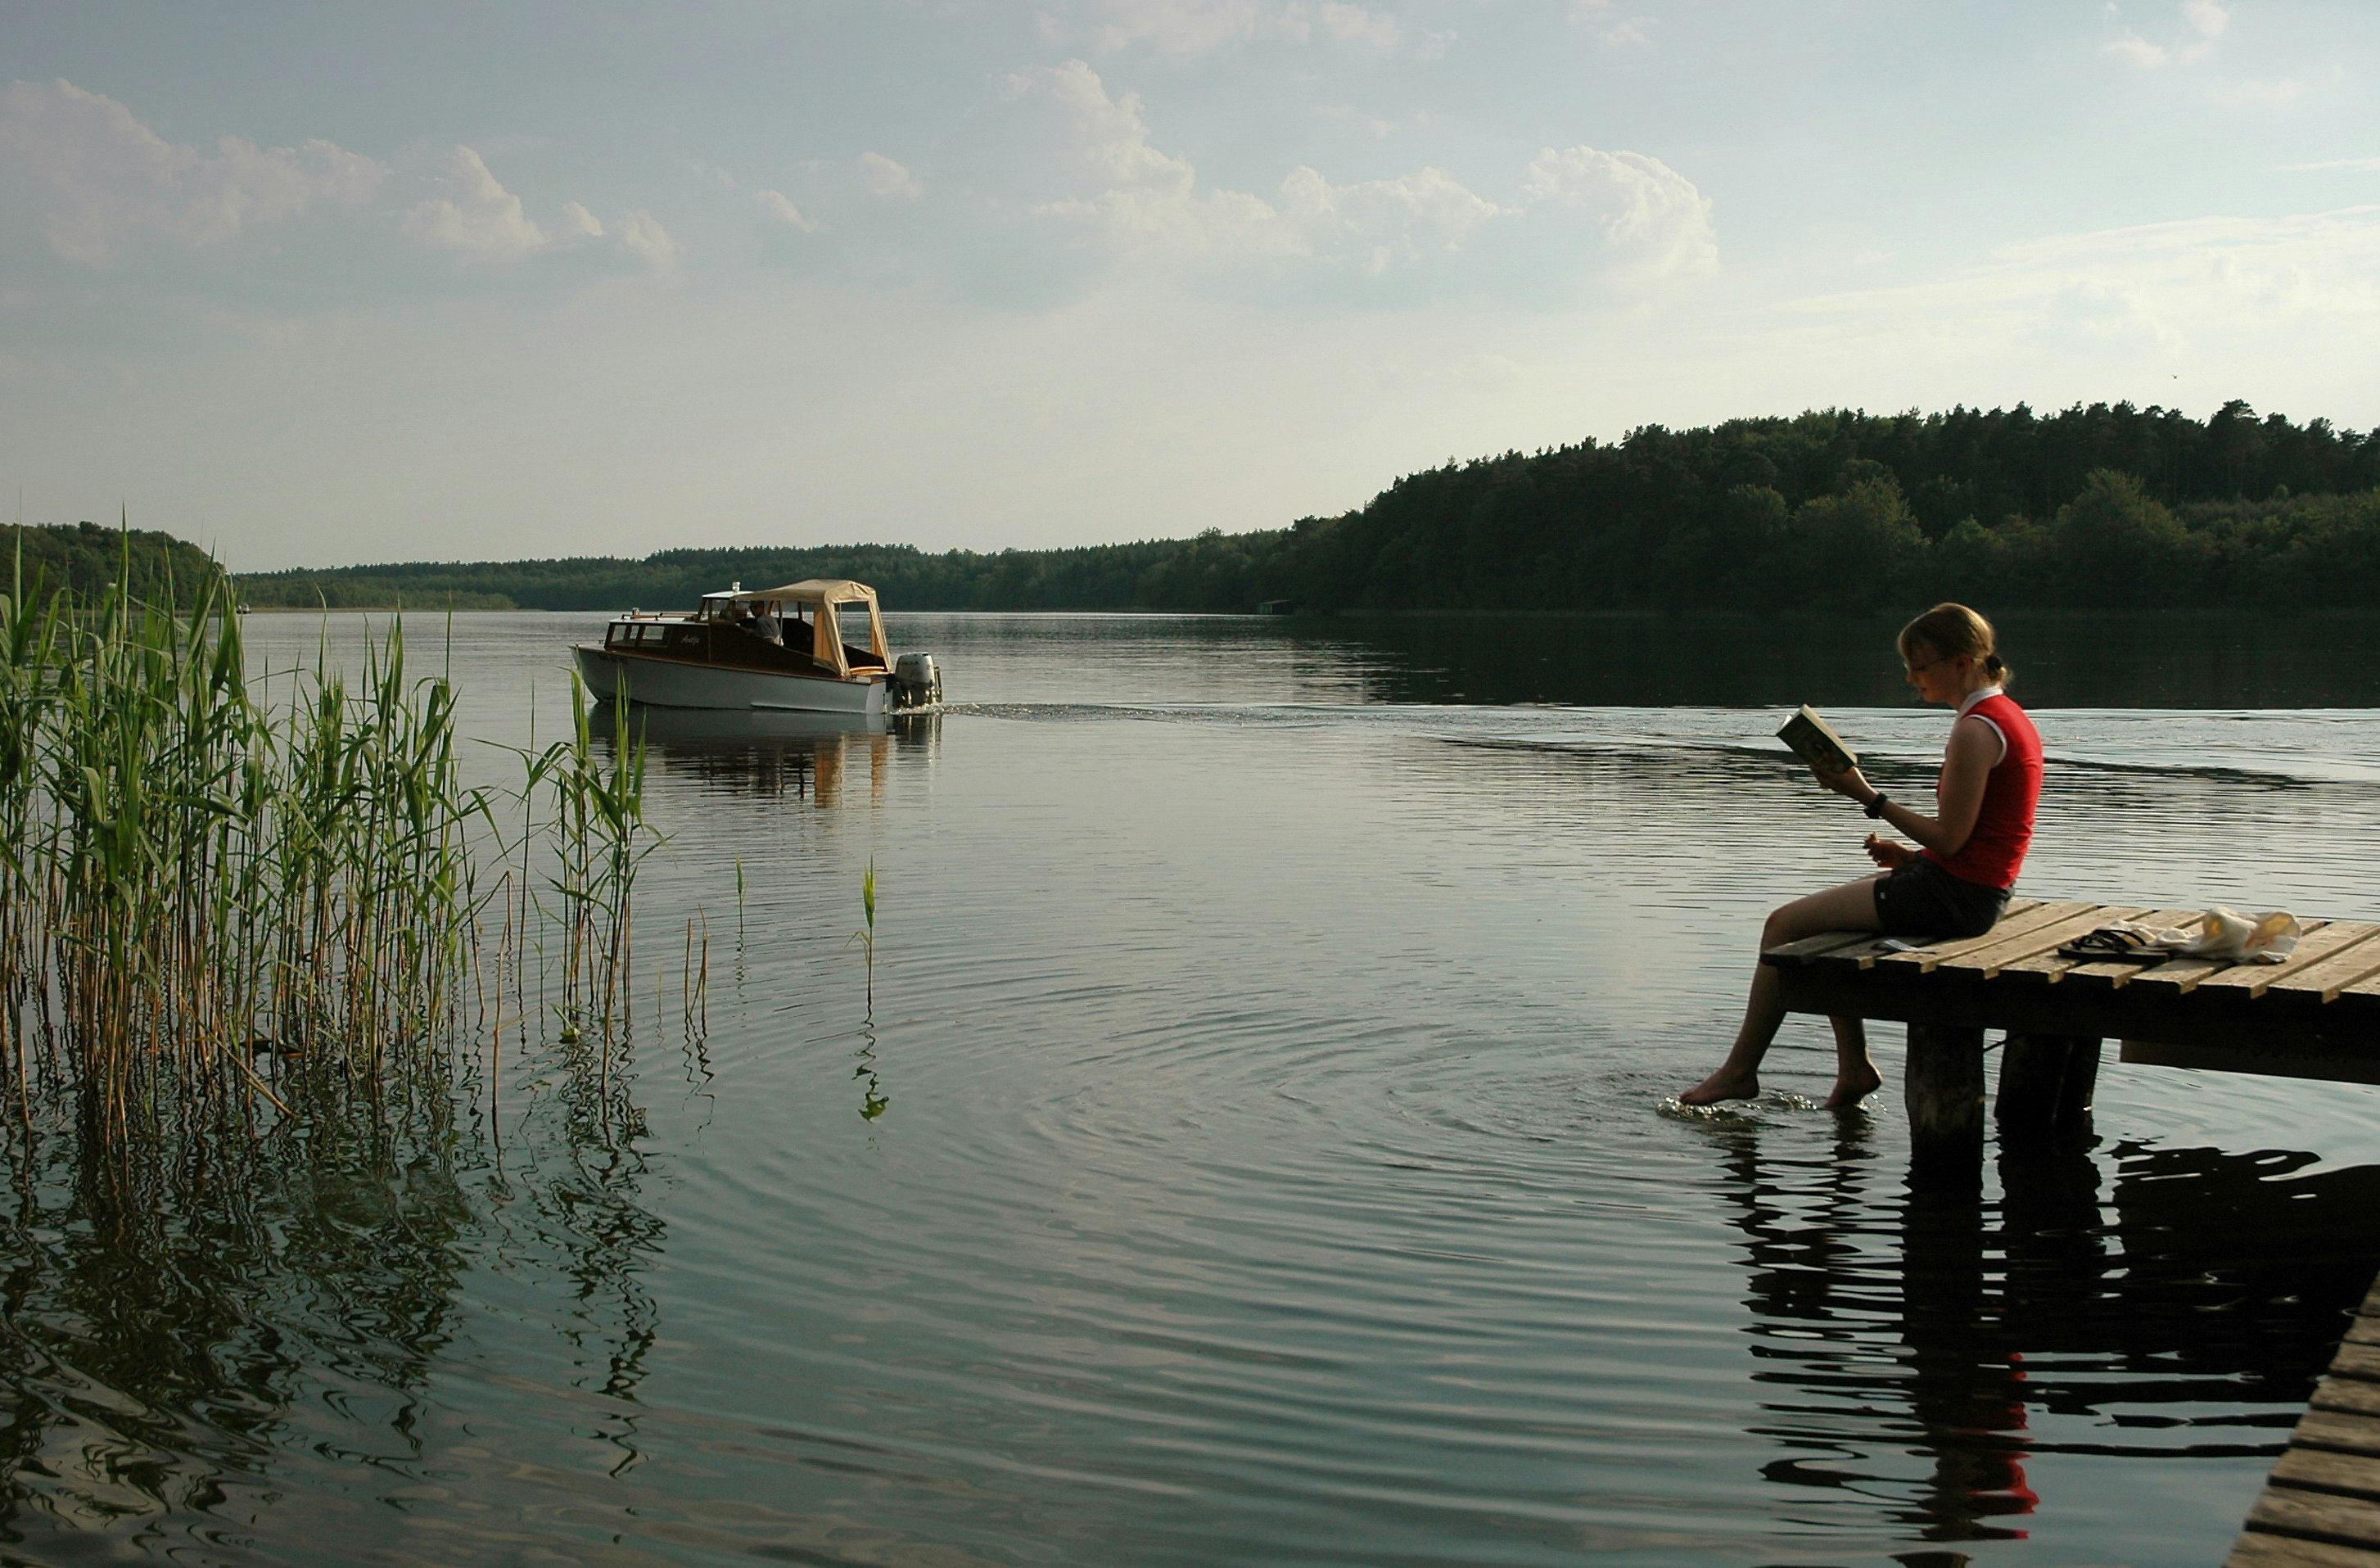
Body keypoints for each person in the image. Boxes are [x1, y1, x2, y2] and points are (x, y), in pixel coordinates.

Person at [1681, 603, 2044, 1109]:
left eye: (1921, 666)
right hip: (1973, 889)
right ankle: (1854, 1069)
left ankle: (1740, 1072)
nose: (1912, 677)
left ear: (1962, 663)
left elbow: (1952, 840)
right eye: (1908, 666)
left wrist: (1864, 794)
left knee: (1784, 926)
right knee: (1826, 929)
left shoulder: (1976, 730)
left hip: (1957, 898)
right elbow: (1983, 837)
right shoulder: (2006, 716)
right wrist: (1912, 859)